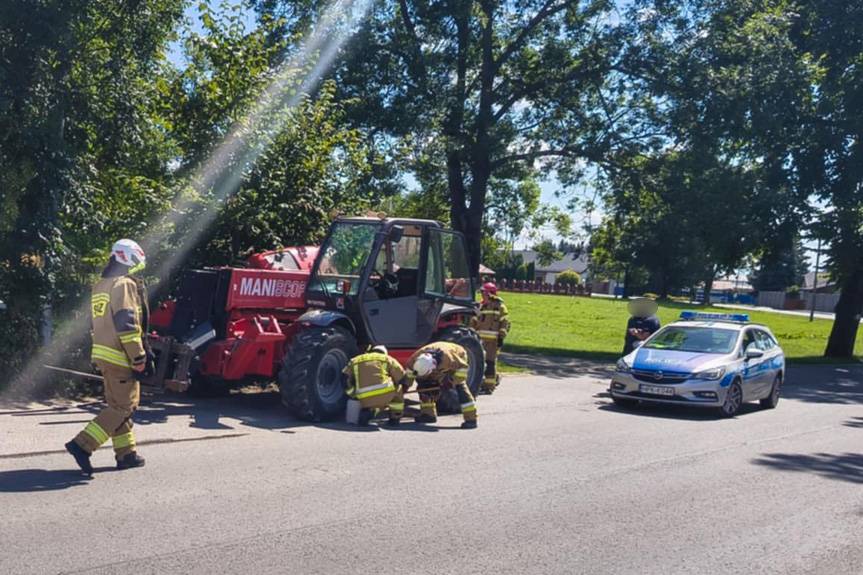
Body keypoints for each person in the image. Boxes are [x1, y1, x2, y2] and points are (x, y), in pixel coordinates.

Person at [66, 239, 149, 477]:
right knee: (124, 406)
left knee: (119, 406)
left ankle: (127, 454)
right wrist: (138, 355)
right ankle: (82, 445)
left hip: (103, 353)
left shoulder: (101, 285)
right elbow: (127, 322)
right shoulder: (123, 284)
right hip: (120, 355)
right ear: (127, 259)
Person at [405, 341, 477, 429]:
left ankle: (471, 419)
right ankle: (428, 415)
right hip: (436, 363)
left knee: (460, 388)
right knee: (424, 384)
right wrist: (405, 386)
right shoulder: (414, 360)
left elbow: (463, 369)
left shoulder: (449, 359)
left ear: (434, 367)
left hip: (459, 357)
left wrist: (451, 382)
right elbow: (409, 374)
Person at [343, 345, 407, 427]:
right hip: (384, 393)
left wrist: (352, 394)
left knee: (373, 399)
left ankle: (369, 410)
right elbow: (401, 377)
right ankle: (394, 419)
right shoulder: (387, 359)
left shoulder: (356, 359)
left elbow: (344, 378)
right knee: (398, 389)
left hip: (363, 397)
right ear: (384, 353)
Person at [471, 282, 510, 394]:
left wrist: (501, 337)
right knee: (481, 362)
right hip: (480, 340)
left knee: (490, 362)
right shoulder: (481, 306)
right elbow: (474, 322)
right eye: (482, 292)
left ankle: (489, 386)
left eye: (484, 292)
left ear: (490, 294)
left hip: (493, 341)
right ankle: (490, 381)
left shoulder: (500, 306)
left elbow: (505, 322)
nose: (482, 295)